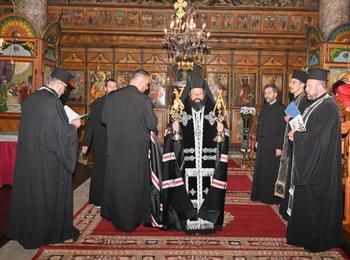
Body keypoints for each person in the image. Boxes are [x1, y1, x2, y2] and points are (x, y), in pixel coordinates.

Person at [7, 67, 81, 249]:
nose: (64, 91)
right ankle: (49, 232)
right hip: (48, 161)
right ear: (57, 84)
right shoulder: (51, 102)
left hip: (30, 156)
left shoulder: (32, 98)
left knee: (31, 195)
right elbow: (59, 136)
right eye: (64, 88)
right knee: (46, 197)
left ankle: (26, 230)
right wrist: (74, 126)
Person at [162, 73, 229, 234]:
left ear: (205, 94)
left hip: (209, 167)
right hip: (187, 167)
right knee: (186, 193)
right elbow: (169, 137)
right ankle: (186, 221)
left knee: (210, 193)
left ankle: (208, 222)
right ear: (189, 94)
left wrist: (223, 131)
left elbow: (224, 135)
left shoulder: (215, 113)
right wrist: (173, 131)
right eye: (194, 93)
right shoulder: (180, 113)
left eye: (200, 93)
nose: (197, 97)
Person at [286, 68, 343, 252]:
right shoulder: (315, 104)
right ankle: (302, 235)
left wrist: (298, 137)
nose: (307, 90)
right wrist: (298, 130)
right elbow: (308, 129)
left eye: (309, 86)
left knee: (315, 203)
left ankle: (316, 240)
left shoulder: (328, 107)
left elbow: (319, 138)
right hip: (311, 161)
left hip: (320, 167)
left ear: (319, 86)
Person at [100, 69, 158, 232]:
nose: (147, 87)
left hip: (115, 149)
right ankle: (130, 219)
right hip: (135, 152)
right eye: (147, 84)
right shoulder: (142, 100)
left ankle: (115, 214)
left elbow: (104, 119)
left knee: (116, 183)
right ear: (141, 81)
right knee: (133, 185)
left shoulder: (111, 97)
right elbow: (152, 124)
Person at [276, 70, 310, 220]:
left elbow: (302, 126)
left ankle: (290, 211)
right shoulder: (295, 100)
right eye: (290, 82)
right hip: (290, 145)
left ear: (303, 85)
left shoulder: (304, 101)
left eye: (293, 82)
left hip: (298, 146)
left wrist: (290, 118)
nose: (290, 85)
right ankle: (286, 208)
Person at [81, 79, 118, 207]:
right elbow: (90, 124)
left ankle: (114, 198)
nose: (112, 89)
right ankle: (99, 199)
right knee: (100, 169)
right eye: (110, 87)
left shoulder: (122, 103)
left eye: (114, 86)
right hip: (101, 140)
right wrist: (86, 143)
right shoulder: (97, 103)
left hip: (117, 140)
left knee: (115, 169)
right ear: (106, 88)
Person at [251, 83, 285, 204]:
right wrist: (257, 141)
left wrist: (279, 147)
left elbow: (283, 129)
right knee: (261, 170)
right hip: (263, 143)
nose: (267, 95)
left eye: (269, 93)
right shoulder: (264, 107)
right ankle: (260, 194)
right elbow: (260, 126)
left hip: (274, 144)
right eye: (265, 93)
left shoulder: (282, 108)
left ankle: (270, 197)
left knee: (271, 171)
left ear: (275, 94)